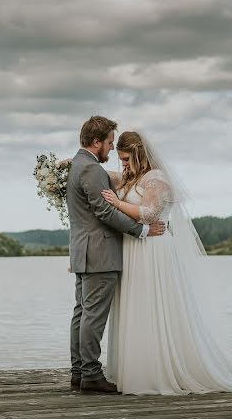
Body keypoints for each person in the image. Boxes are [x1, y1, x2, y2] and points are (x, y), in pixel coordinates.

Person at [100, 131, 232, 395]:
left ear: (138, 154)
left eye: (126, 158)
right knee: (136, 306)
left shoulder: (156, 179)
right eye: (120, 158)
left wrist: (116, 203)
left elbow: (149, 214)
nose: (123, 164)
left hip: (154, 251)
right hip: (134, 249)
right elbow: (103, 175)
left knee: (154, 307)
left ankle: (158, 370)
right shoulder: (130, 178)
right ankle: (137, 369)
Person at [67, 116, 166, 394]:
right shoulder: (91, 170)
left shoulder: (77, 165)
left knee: (82, 313)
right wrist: (142, 231)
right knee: (92, 316)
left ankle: (79, 372)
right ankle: (90, 374)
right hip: (100, 252)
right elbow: (105, 213)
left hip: (84, 251)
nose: (111, 150)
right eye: (110, 143)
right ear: (96, 141)